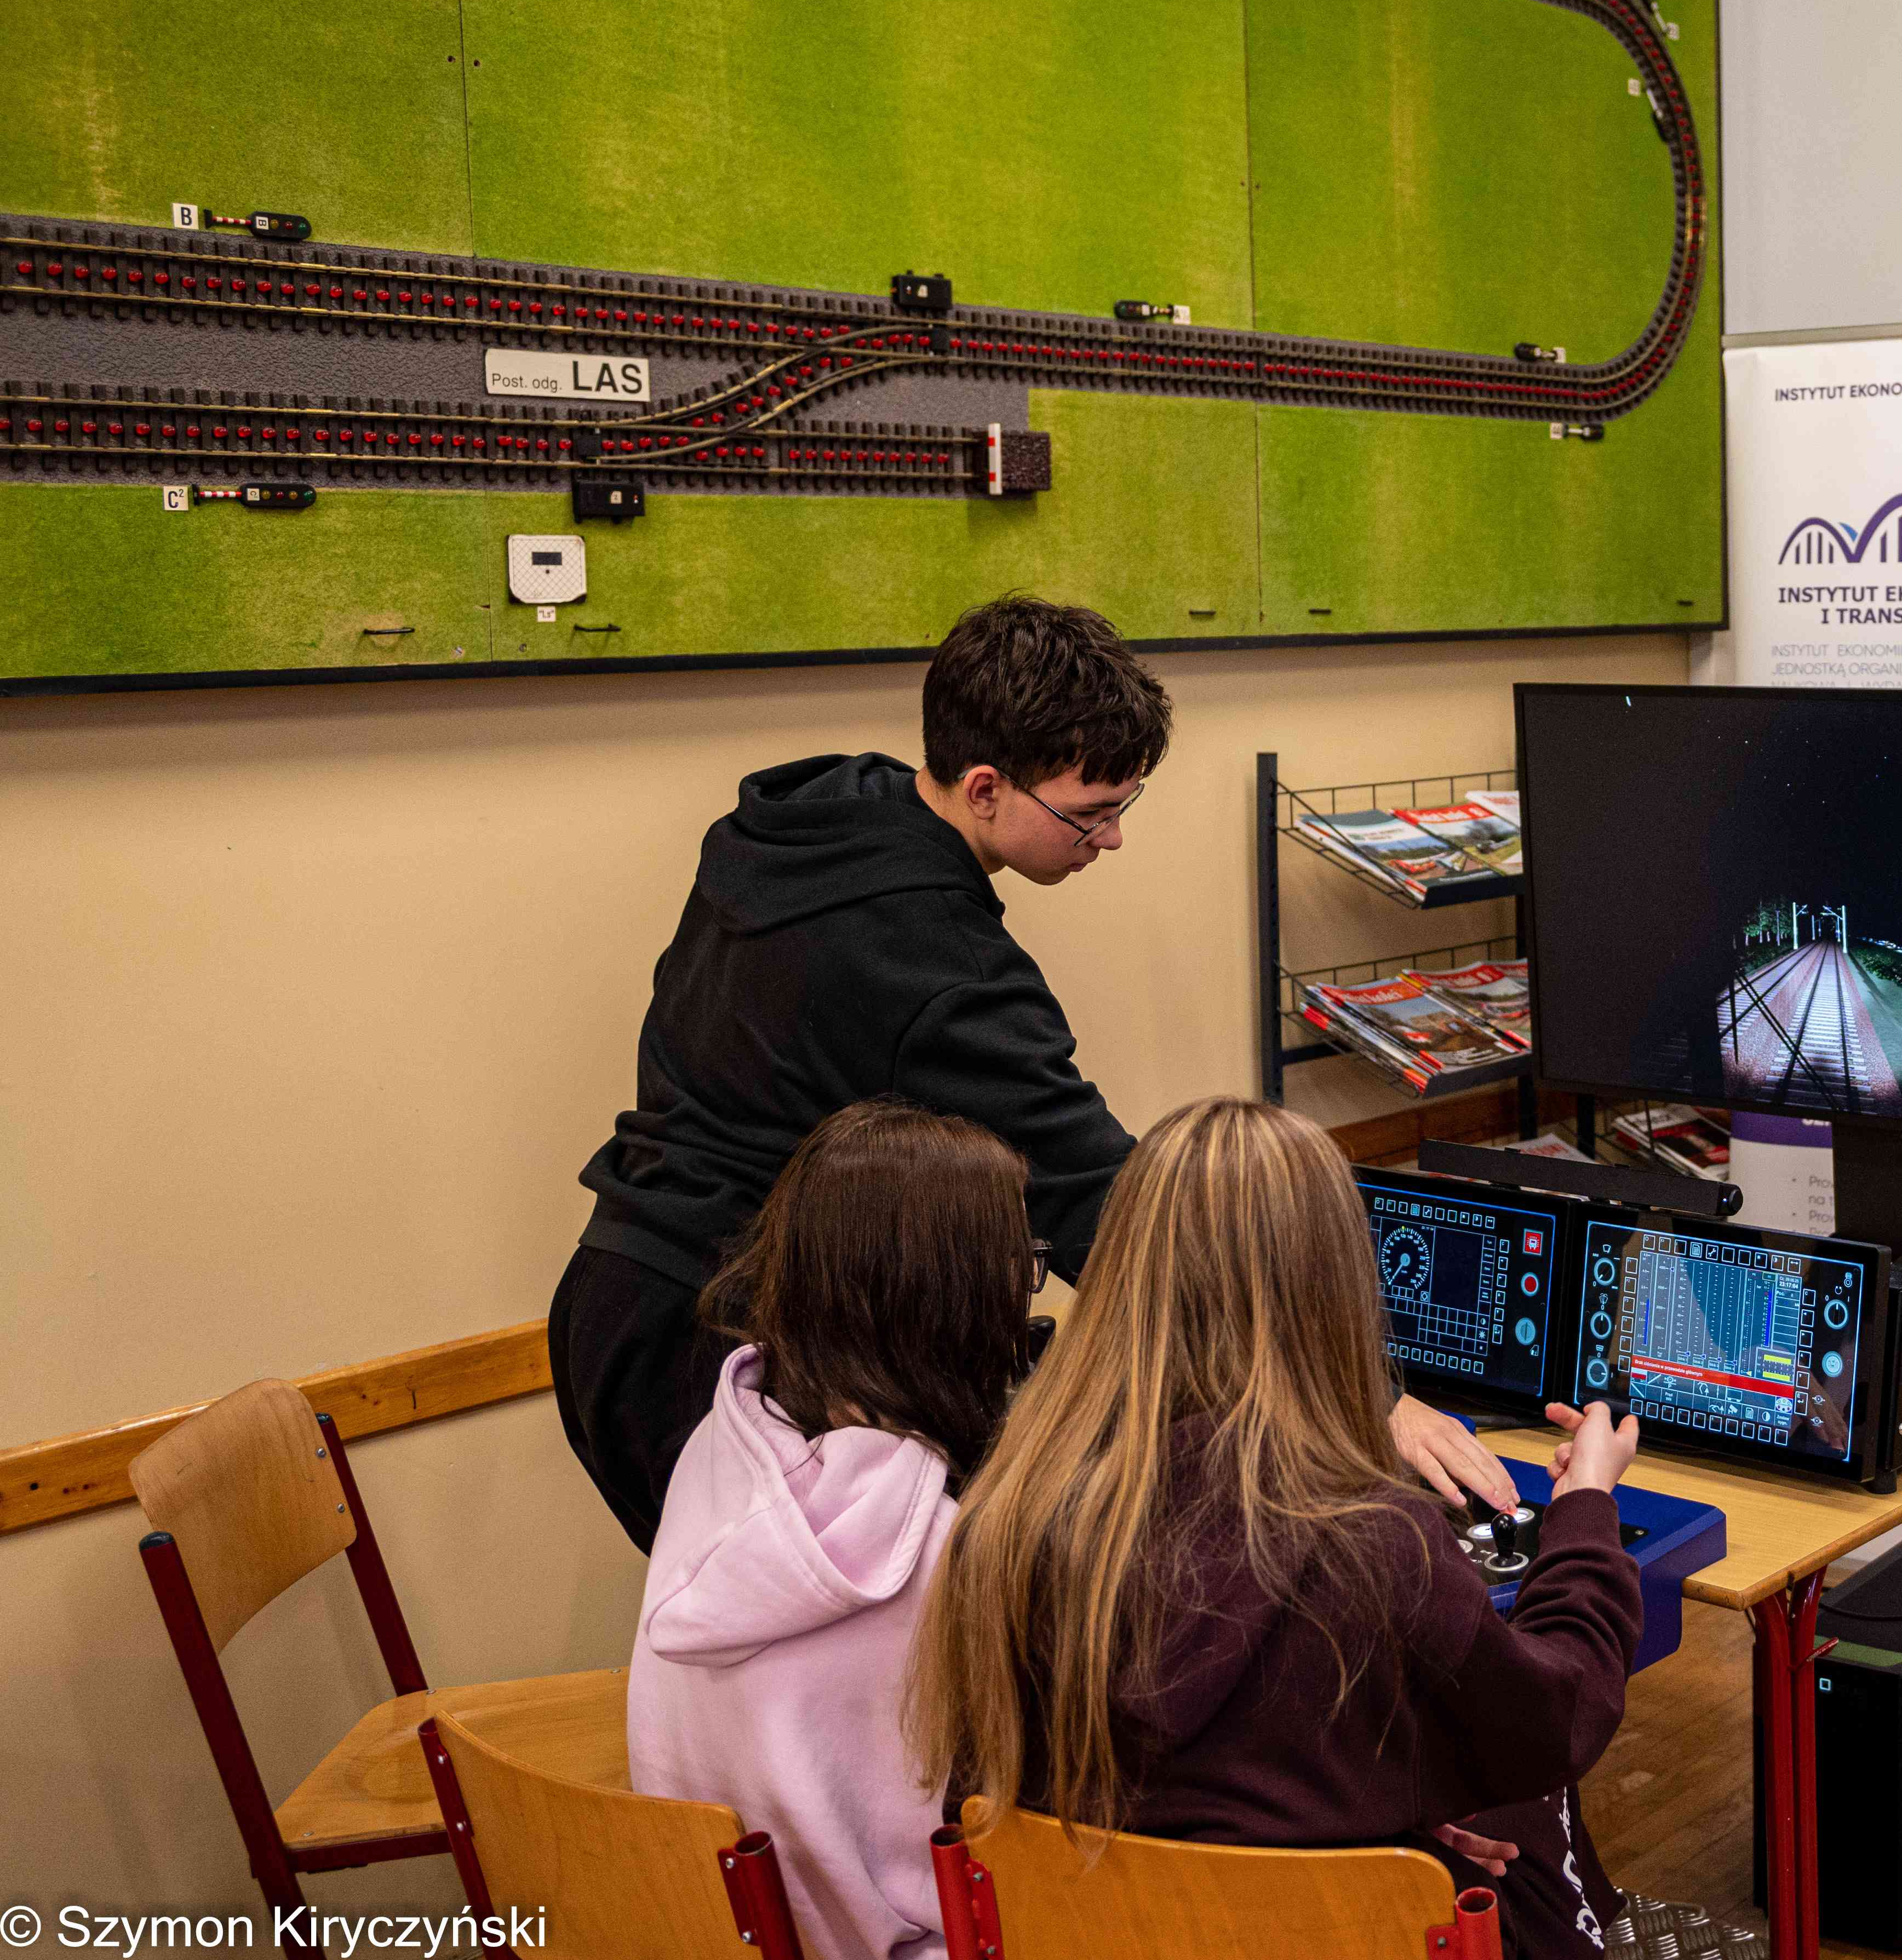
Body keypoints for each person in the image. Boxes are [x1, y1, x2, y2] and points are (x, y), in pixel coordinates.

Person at [551, 594, 1514, 1548]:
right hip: (708, 1352)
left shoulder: (819, 821)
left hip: (616, 1295)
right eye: (1089, 815)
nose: (1112, 839)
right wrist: (1361, 1395)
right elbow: (1108, 1206)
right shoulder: (940, 969)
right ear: (983, 788)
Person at [912, 1098, 1642, 1960]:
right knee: (1529, 1820)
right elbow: (1557, 1723)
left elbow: (1014, 1815)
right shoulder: (1379, 1545)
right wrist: (1586, 1507)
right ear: (1334, 1287)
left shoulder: (1006, 1521)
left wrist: (1381, 1809)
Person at [627, 1098, 1036, 1960]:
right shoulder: (941, 1555)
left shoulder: (717, 1451)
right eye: (1018, 1269)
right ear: (953, 1303)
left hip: (713, 1932)